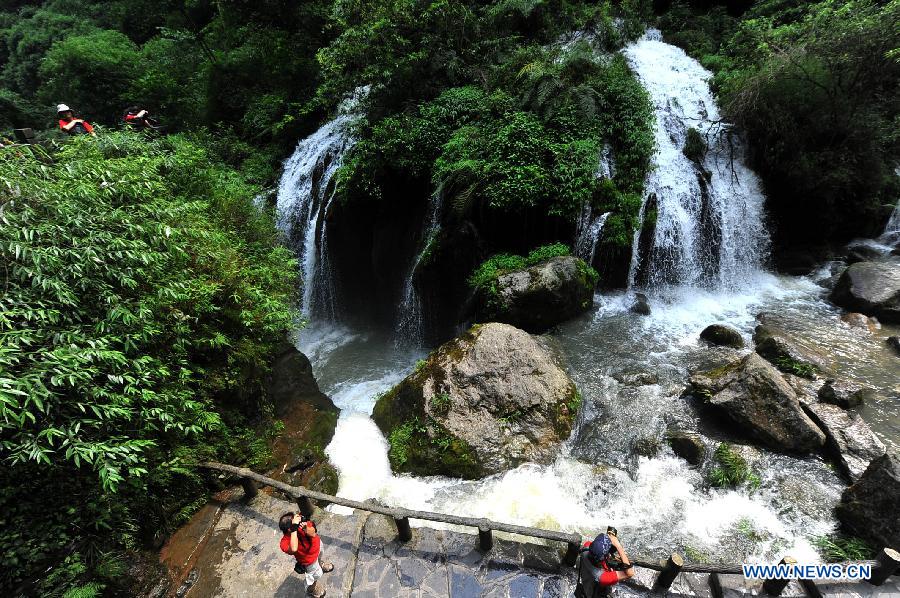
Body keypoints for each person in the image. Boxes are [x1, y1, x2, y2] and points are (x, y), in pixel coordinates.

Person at [278, 511, 334, 598]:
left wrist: (306, 528)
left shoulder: (301, 524)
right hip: (309, 561)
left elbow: (313, 533)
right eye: (295, 522)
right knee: (314, 576)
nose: (298, 520)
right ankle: (311, 589)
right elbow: (294, 548)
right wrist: (294, 530)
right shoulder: (285, 542)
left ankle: (320, 564)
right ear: (290, 529)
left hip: (318, 547)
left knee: (319, 558)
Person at [576, 527, 635, 597]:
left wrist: (607, 539)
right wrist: (618, 546)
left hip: (586, 582)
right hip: (595, 593)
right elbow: (630, 573)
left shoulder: (587, 547)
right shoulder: (603, 577)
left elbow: (597, 547)